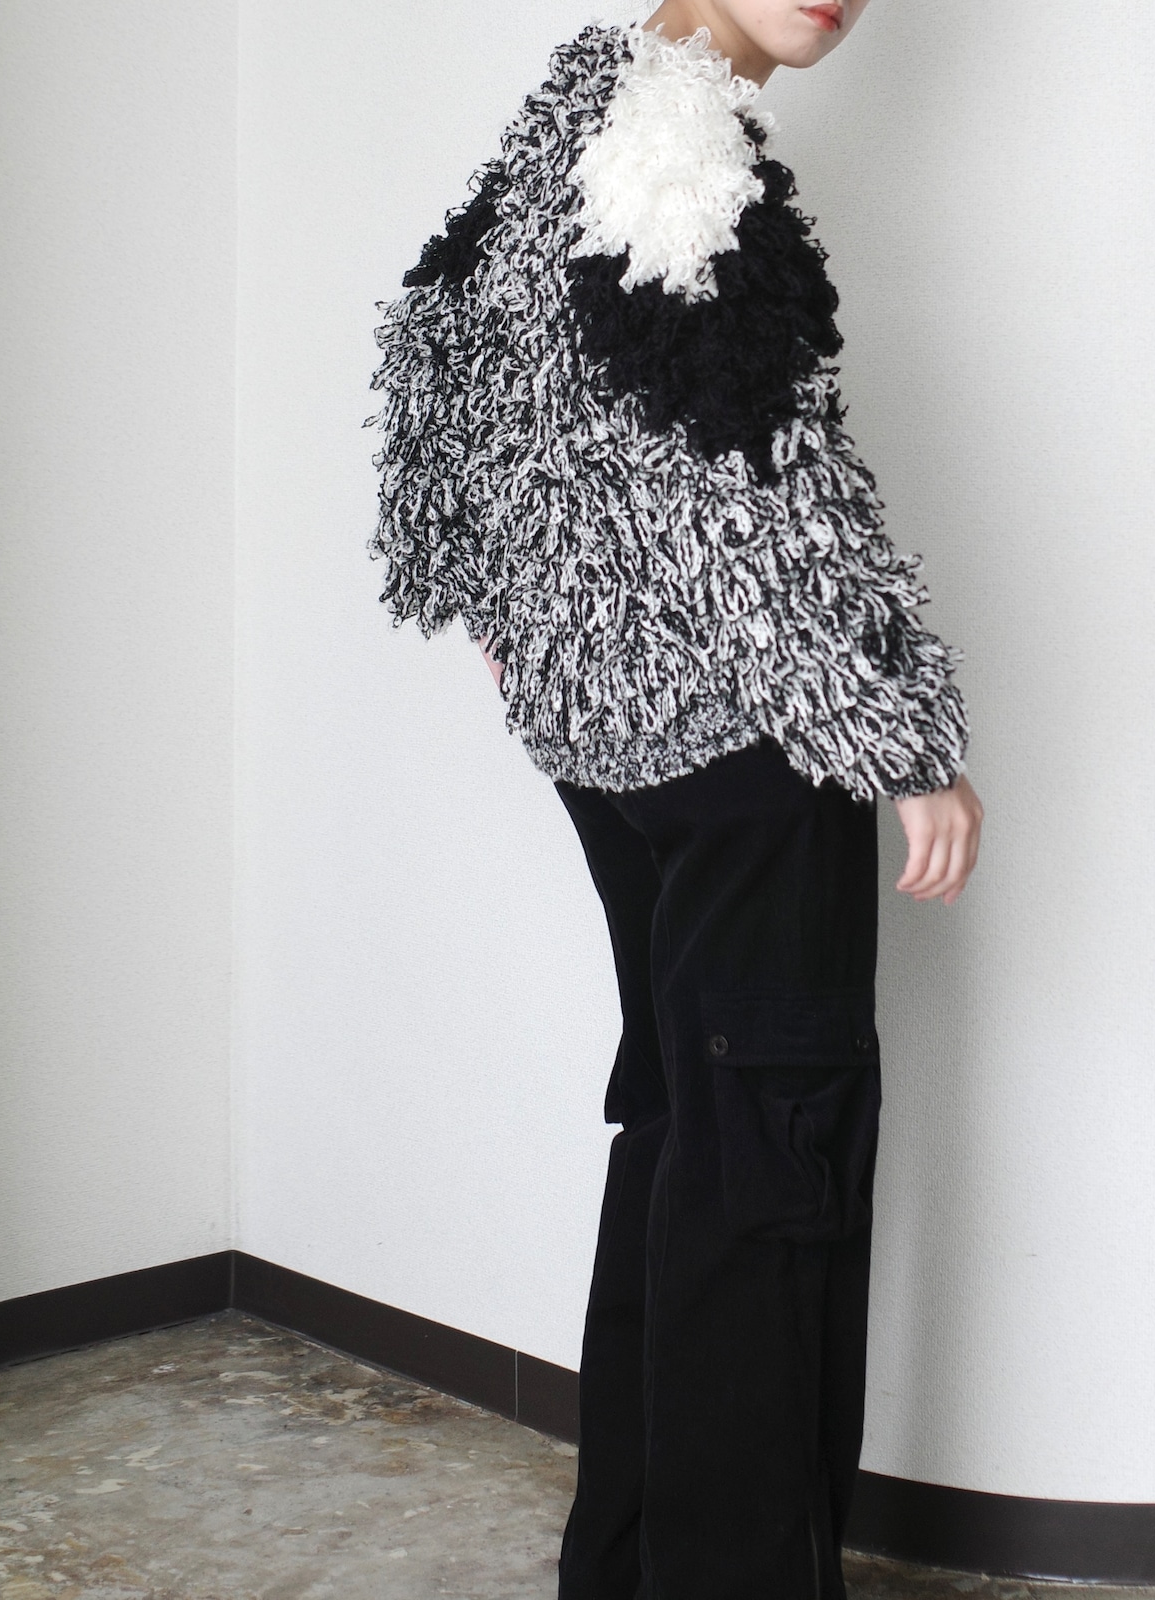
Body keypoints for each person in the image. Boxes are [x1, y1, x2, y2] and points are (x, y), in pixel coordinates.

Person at [364, 2, 984, 1595]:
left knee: (686, 1143)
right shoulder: (675, 141)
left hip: (614, 750)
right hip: (744, 754)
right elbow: (759, 477)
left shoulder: (564, 122)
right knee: (768, 1178)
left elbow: (435, 345)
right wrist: (903, 735)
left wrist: (509, 601)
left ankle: (632, 1562)